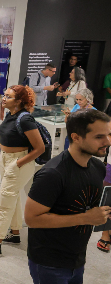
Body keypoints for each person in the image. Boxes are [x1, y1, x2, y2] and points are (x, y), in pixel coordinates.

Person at [25, 110, 111, 284]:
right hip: (49, 263)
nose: (107, 141)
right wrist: (85, 218)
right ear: (76, 137)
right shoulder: (53, 174)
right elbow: (31, 219)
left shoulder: (97, 167)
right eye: (99, 137)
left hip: (77, 258)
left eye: (109, 134)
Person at [0, 85, 45, 257]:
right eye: (4, 95)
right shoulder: (10, 115)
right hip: (6, 159)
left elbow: (40, 148)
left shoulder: (26, 119)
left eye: (8, 96)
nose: (3, 98)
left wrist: (18, 163)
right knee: (11, 197)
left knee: (4, 202)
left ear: (19, 101)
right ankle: (14, 234)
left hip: (18, 162)